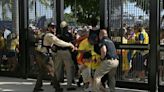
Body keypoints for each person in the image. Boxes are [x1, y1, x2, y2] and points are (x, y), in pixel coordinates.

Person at [33, 22, 75, 92]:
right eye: (52, 27)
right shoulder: (49, 35)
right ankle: (57, 88)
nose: (54, 28)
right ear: (48, 28)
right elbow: (58, 42)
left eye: (54, 27)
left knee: (41, 71)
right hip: (44, 55)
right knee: (53, 71)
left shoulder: (43, 34)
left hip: (39, 54)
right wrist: (69, 45)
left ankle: (37, 87)